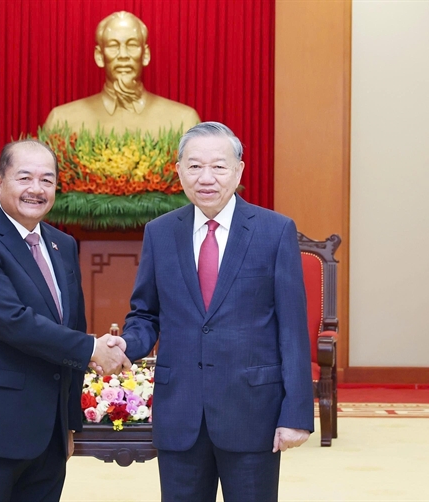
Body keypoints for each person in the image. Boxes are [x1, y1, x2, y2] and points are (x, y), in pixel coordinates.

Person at [119, 122, 314, 501]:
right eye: (194, 166)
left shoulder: (274, 231)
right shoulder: (160, 232)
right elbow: (145, 314)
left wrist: (296, 414)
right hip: (180, 411)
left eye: (218, 167)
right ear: (179, 171)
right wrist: (126, 345)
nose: (206, 178)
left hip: (252, 411)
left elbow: (292, 329)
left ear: (238, 171)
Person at [0, 139, 130, 502]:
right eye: (24, 178)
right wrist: (92, 348)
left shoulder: (62, 245)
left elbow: (71, 325)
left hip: (47, 437)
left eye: (47, 180)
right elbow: (13, 321)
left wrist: (69, 423)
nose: (36, 189)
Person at [44, 11, 200, 136]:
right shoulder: (62, 121)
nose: (123, 55)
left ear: (145, 54)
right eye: (113, 46)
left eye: (132, 45)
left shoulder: (184, 121)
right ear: (99, 56)